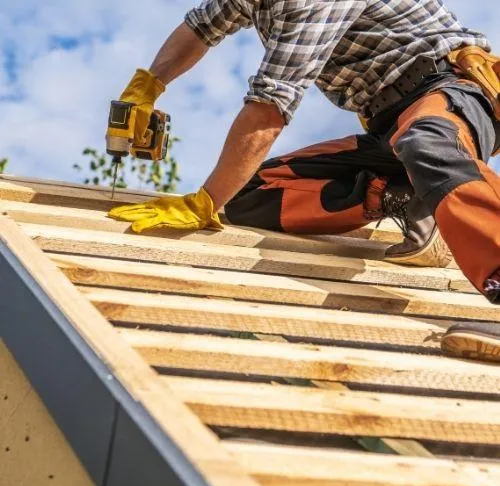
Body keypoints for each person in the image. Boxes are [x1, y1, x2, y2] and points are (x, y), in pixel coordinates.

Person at [108, 0, 500, 362]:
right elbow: (202, 26)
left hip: (451, 92)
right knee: (249, 193)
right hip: (388, 127)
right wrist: (148, 86)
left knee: (426, 143)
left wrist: (203, 202)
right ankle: (404, 196)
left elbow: (270, 106)